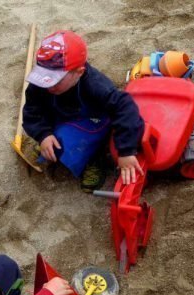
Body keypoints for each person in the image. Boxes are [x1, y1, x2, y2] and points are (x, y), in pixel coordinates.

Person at [23, 30, 145, 191]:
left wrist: (126, 151)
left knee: (73, 142)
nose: (48, 85)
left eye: (55, 81)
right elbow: (32, 112)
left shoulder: (96, 85)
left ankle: (95, 160)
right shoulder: (41, 85)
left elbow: (126, 108)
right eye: (44, 77)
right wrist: (43, 134)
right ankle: (51, 139)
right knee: (51, 134)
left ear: (78, 72)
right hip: (61, 114)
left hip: (92, 121)